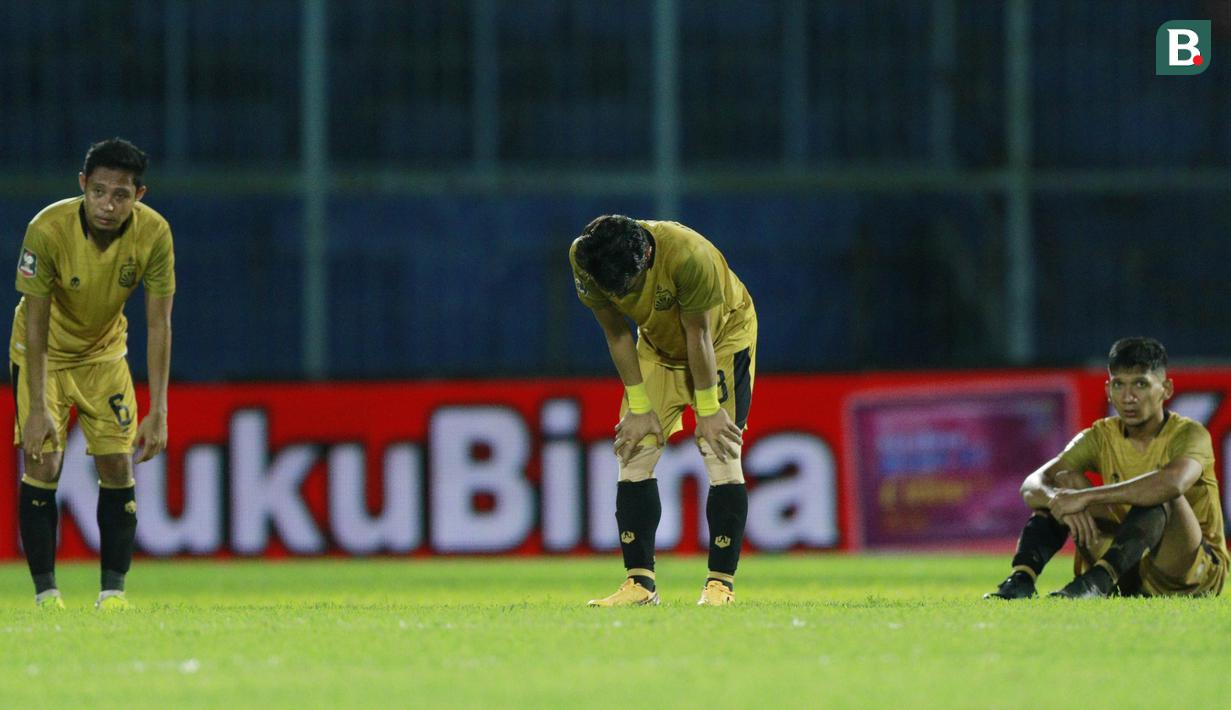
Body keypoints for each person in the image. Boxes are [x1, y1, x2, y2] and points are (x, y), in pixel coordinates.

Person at [11, 138, 175, 609]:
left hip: (104, 357)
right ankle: (47, 595)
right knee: (43, 463)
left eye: (121, 195)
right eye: (98, 191)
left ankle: (113, 595)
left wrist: (159, 410)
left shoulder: (154, 234)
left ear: (138, 195)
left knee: (118, 464)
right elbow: (36, 322)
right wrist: (37, 408)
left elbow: (159, 323)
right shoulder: (47, 229)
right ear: (83, 184)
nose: (107, 205)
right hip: (43, 354)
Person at [570, 215, 756, 606]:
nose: (622, 296)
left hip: (722, 339)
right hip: (657, 348)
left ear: (647, 257)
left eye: (629, 287)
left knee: (721, 451)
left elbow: (699, 334)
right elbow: (616, 332)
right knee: (634, 450)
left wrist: (708, 409)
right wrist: (639, 406)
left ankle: (720, 586)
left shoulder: (690, 256)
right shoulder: (586, 257)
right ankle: (640, 585)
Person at [986, 337, 1226, 599]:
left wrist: (1085, 497)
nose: (1128, 397)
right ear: (1108, 389)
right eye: (1119, 384)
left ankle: (1097, 582)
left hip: (1191, 572)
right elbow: (1032, 484)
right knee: (1063, 482)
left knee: (1162, 493)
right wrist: (1059, 500)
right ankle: (1021, 580)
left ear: (1166, 389)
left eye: (1141, 384)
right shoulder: (1101, 435)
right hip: (1131, 567)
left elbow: (1172, 484)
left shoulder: (1190, 434)